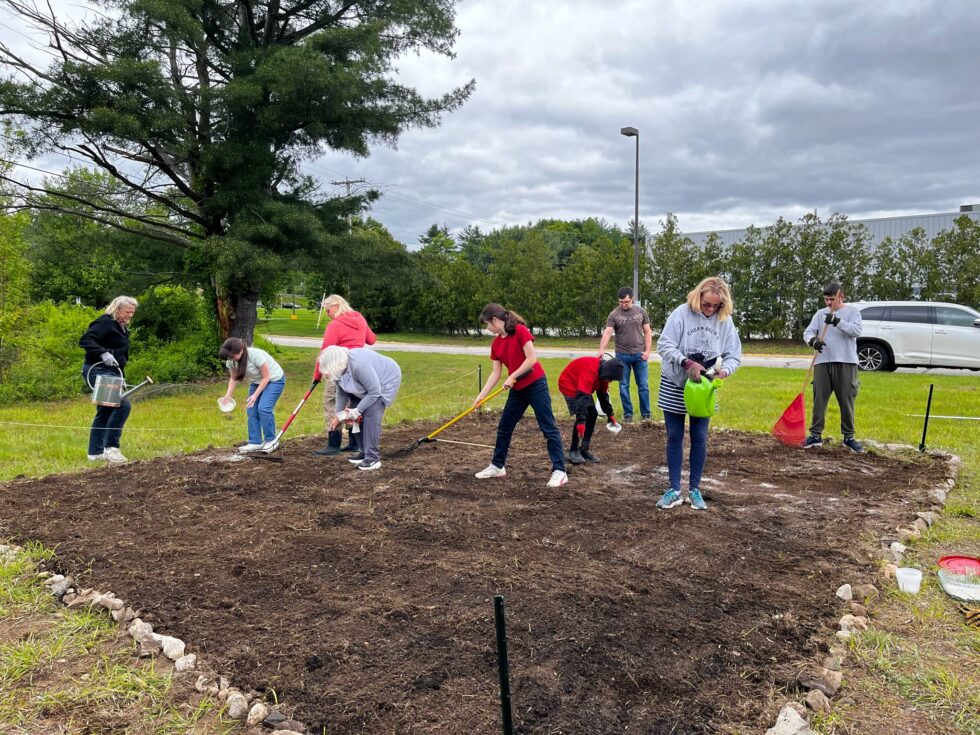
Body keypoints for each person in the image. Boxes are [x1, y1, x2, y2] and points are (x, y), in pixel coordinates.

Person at [655, 277, 742, 511]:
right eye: (707, 304)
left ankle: (694, 490)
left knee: (700, 437)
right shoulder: (681, 313)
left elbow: (734, 355)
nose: (710, 310)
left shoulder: (725, 321)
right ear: (698, 297)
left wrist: (724, 371)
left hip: (704, 388)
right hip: (675, 382)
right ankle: (674, 489)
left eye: (716, 306)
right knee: (674, 435)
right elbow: (664, 345)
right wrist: (685, 362)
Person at [473, 304, 567, 488]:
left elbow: (532, 359)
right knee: (504, 427)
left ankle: (560, 471)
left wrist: (513, 376)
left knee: (548, 428)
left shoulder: (520, 331)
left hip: (535, 385)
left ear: (494, 320)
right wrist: (481, 396)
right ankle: (498, 466)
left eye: (487, 325)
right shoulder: (496, 344)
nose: (487, 329)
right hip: (517, 389)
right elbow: (495, 373)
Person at [311, 295, 378, 457]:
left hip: (338, 368)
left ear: (337, 305)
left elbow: (326, 352)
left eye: (328, 309)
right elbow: (372, 339)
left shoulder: (335, 325)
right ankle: (355, 443)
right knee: (352, 405)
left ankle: (333, 444)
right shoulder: (360, 319)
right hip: (358, 369)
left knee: (331, 402)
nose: (327, 313)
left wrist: (318, 375)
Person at [317, 345, 401, 471]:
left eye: (327, 370)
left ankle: (373, 458)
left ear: (335, 365)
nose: (325, 375)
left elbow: (374, 392)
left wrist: (357, 411)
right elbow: (341, 393)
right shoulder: (338, 370)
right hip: (362, 386)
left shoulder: (358, 365)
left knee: (370, 418)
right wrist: (339, 415)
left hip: (384, 382)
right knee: (354, 419)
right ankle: (364, 452)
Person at [802, 282, 864, 453]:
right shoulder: (820, 314)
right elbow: (808, 332)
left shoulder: (852, 312)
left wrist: (838, 321)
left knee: (846, 400)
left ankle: (849, 437)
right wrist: (813, 341)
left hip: (846, 361)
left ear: (841, 297)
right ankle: (815, 435)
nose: (829, 303)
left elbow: (857, 331)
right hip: (823, 362)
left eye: (832, 299)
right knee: (819, 400)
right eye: (826, 299)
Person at [79, 296, 139, 464]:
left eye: (132, 313)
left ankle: (95, 453)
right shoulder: (105, 322)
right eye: (128, 312)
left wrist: (121, 378)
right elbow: (85, 339)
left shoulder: (122, 327)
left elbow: (119, 356)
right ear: (116, 309)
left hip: (113, 372)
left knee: (105, 411)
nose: (130, 316)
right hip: (98, 369)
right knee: (122, 404)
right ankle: (111, 448)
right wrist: (102, 352)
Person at [218, 338, 286, 453]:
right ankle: (255, 442)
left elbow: (266, 377)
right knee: (251, 410)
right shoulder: (231, 360)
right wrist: (228, 396)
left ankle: (271, 441)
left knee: (263, 408)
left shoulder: (255, 355)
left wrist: (255, 395)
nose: (231, 359)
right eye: (229, 357)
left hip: (274, 380)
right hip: (257, 382)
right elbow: (233, 378)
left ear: (242, 351)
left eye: (233, 356)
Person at [597, 287, 653, 422]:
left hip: (639, 355)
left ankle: (646, 415)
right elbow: (608, 332)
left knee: (643, 386)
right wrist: (601, 350)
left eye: (626, 301)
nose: (623, 304)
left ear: (632, 299)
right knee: (623, 386)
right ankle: (628, 415)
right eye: (621, 302)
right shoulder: (614, 315)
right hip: (622, 356)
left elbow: (647, 332)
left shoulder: (641, 312)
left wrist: (647, 351)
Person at [557, 356, 624, 464]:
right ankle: (573, 451)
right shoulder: (589, 371)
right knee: (584, 414)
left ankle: (584, 449)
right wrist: (581, 422)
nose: (610, 381)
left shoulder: (604, 373)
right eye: (611, 379)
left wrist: (609, 414)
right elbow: (582, 399)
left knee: (592, 414)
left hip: (582, 388)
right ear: (608, 373)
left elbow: (603, 395)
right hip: (569, 384)